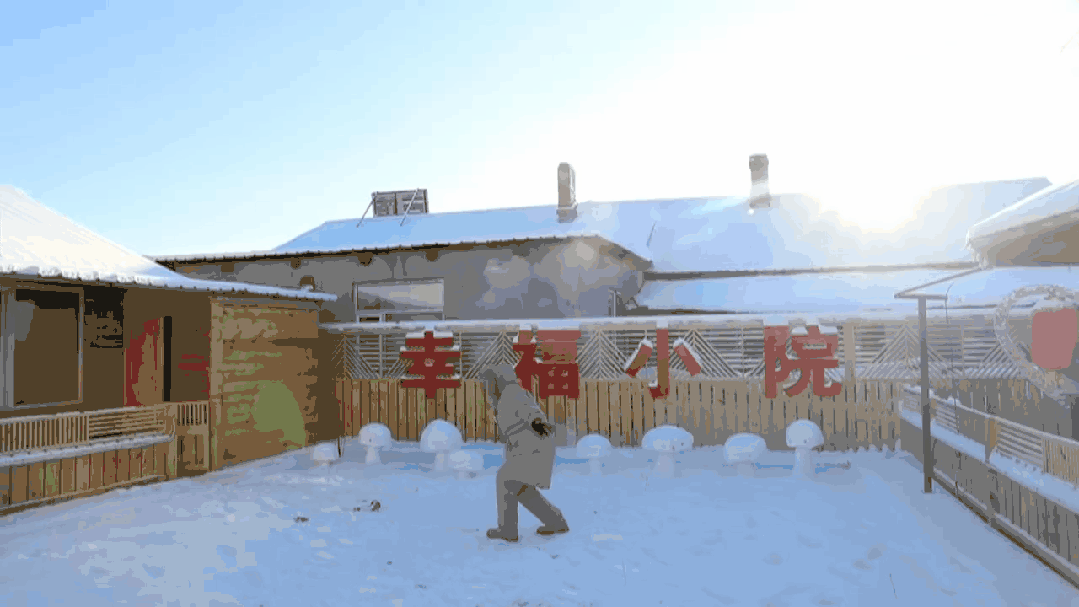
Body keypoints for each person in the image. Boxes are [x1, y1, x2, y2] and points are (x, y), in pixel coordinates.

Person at [479, 364, 569, 542]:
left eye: (489, 381)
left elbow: (530, 410)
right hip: (529, 447)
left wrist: (537, 421)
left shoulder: (513, 393)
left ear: (499, 380)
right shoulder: (503, 397)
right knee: (519, 488)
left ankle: (508, 529)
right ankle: (555, 521)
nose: (487, 386)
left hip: (535, 446)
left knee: (505, 479)